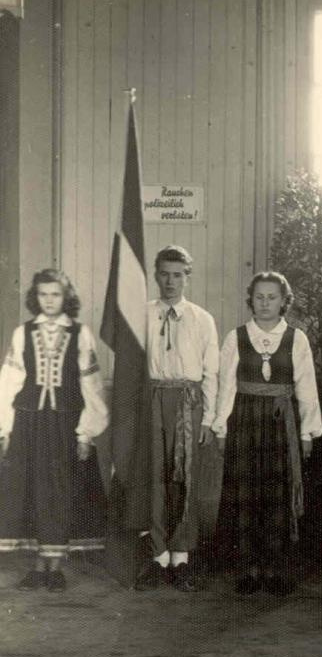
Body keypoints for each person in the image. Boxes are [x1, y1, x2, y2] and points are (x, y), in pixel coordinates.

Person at [212, 271, 322, 595]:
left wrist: (307, 433)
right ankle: (249, 569)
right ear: (251, 300)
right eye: (259, 297)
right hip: (244, 422)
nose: (265, 303)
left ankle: (276, 570)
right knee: (246, 493)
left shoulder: (296, 339)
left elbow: (307, 389)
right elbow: (225, 387)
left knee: (277, 495)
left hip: (280, 423)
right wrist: (221, 426)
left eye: (272, 297)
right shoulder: (235, 338)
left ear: (284, 301)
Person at [0, 269, 109, 592]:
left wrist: (86, 432)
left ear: (66, 297)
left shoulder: (80, 333)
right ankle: (38, 566)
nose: (49, 301)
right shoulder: (23, 333)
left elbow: (92, 386)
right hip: (29, 423)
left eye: (55, 294)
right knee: (33, 490)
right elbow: (9, 381)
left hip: (65, 424)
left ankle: (56, 566)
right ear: (36, 297)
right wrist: (5, 428)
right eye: (43, 294)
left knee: (60, 490)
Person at [134, 246, 219, 591]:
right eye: (164, 274)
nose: (170, 282)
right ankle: (158, 557)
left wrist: (208, 419)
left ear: (187, 277)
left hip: (188, 402)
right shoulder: (142, 315)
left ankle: (181, 557)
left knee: (185, 478)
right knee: (154, 478)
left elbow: (211, 372)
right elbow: (131, 366)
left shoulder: (202, 319)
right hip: (152, 399)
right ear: (156, 275)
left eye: (177, 275)